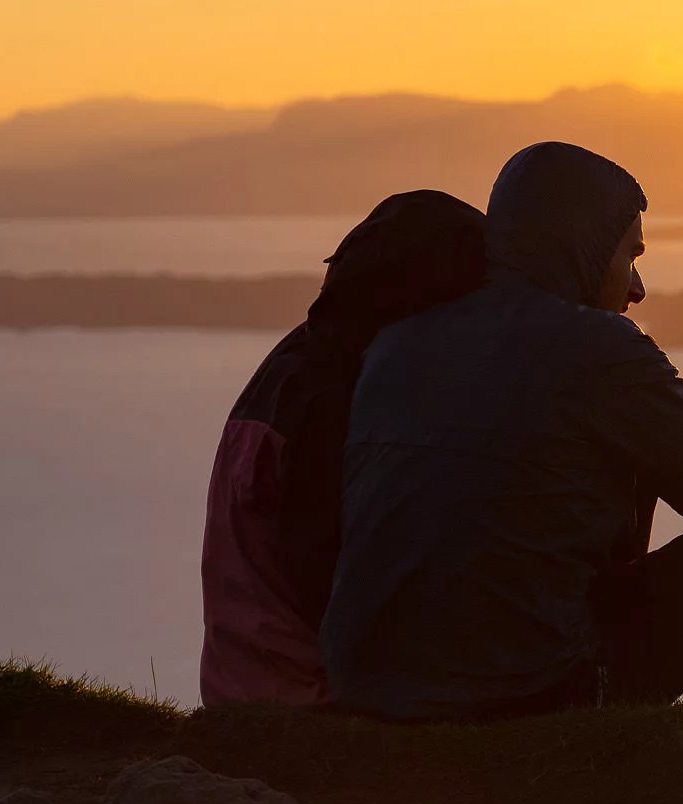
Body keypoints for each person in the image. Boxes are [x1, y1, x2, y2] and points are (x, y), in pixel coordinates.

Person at [320, 140, 683, 721]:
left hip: (367, 691)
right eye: (630, 257)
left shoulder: (398, 341)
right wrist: (681, 423)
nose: (637, 288)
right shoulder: (599, 350)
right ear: (584, 250)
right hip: (521, 698)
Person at [199, 190, 488, 707]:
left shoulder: (301, 361)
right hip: (305, 700)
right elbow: (334, 582)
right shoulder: (338, 400)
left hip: (242, 685)